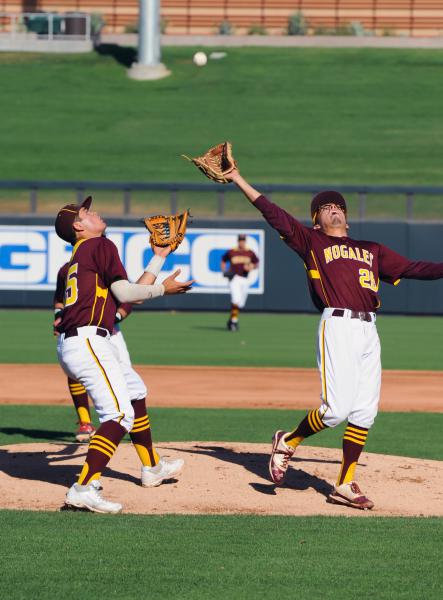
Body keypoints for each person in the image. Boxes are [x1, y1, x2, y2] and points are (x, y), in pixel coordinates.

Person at [225, 169, 443, 510]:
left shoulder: (371, 249)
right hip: (338, 325)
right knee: (335, 410)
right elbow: (273, 214)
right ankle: (289, 440)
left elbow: (414, 268)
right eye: (324, 207)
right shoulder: (312, 243)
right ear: (316, 222)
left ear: (347, 217)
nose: (333, 209)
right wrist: (238, 178)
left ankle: (344, 483)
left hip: (369, 330)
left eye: (337, 205)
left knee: (364, 412)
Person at [54, 196, 193, 514]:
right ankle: (84, 488)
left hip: (87, 340)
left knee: (135, 392)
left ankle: (152, 467)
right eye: (86, 212)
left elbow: (129, 293)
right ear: (78, 225)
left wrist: (158, 259)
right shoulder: (100, 245)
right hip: (88, 340)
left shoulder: (81, 253)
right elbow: (129, 294)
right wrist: (163, 289)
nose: (94, 212)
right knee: (119, 415)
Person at [54, 266, 135, 443]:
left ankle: (128, 424)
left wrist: (114, 318)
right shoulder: (66, 270)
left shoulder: (106, 265)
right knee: (75, 373)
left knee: (125, 377)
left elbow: (127, 302)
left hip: (109, 332)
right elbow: (59, 301)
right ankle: (85, 423)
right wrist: (59, 317)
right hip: (76, 329)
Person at [221, 234, 259, 331]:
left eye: (243, 240)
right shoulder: (232, 251)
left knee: (240, 303)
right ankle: (234, 321)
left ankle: (231, 319)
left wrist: (252, 266)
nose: (241, 242)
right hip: (234, 278)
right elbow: (223, 259)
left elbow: (257, 263)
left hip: (245, 279)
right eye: (240, 240)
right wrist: (224, 271)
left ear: (245, 241)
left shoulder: (250, 252)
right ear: (238, 241)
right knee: (236, 299)